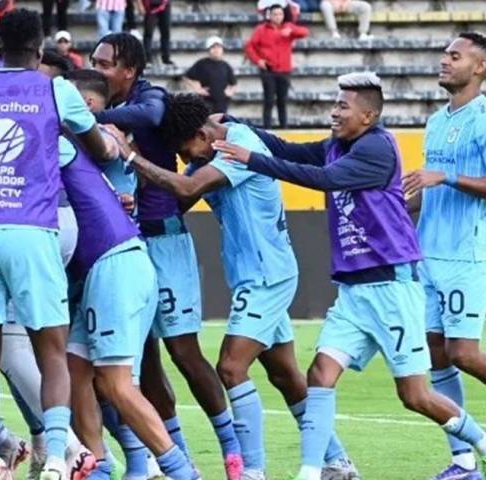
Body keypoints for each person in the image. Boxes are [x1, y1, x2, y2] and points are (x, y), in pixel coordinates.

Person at [215, 71, 486, 480]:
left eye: (343, 106)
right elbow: (291, 150)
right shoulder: (338, 145)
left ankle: (480, 444)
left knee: (414, 395)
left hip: (392, 286)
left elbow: (323, 180)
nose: (333, 112)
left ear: (369, 115)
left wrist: (250, 159)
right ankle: (313, 471)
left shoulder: (377, 148)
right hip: (354, 292)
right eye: (334, 103)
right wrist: (241, 127)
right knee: (320, 374)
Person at [120, 92, 360, 480]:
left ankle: (252, 472)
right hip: (258, 273)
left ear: (201, 134)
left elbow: (186, 188)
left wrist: (130, 157)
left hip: (266, 275)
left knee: (231, 367)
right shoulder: (213, 139)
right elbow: (182, 196)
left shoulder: (236, 149)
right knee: (283, 373)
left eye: (187, 151)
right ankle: (338, 461)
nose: (186, 160)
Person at [0, 8, 113, 479]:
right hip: (32, 227)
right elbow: (97, 147)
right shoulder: (56, 88)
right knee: (50, 349)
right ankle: (57, 456)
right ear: (39, 48)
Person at [90, 33, 243, 480]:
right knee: (143, 359)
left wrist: (96, 117)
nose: (97, 69)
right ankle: (175, 455)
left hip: (165, 239)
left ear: (129, 69)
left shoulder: (148, 97)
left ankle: (233, 455)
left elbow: (153, 113)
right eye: (94, 62)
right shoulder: (93, 107)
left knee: (185, 352)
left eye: (105, 63)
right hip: (122, 244)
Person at [62, 71, 199, 480]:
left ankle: (181, 472)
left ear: (83, 106)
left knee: (118, 384)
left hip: (115, 264)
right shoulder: (96, 140)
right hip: (109, 265)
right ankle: (101, 468)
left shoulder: (90, 137)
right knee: (76, 371)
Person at [401, 32, 486, 480]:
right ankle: (464, 461)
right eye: (444, 54)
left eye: (455, 56)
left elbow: (447, 179)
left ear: (480, 68)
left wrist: (446, 176)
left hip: (466, 255)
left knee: (464, 353)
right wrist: (399, 203)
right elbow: (428, 188)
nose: (444, 61)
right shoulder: (435, 121)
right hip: (426, 254)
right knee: (434, 351)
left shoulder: (485, 117)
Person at [244, 4, 309, 128]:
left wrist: (292, 31)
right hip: (268, 69)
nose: (278, 17)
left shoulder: (288, 27)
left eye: (280, 14)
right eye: (275, 14)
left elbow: (305, 32)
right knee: (268, 100)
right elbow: (250, 46)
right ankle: (267, 128)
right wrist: (258, 61)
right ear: (270, 15)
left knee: (282, 100)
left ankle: (284, 127)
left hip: (284, 70)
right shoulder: (261, 29)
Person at [183, 36, 237, 114]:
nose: (216, 50)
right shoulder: (202, 63)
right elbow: (187, 77)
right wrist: (197, 89)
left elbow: (234, 83)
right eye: (213, 47)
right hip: (206, 101)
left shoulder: (226, 66)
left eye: (218, 47)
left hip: (222, 103)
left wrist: (230, 91)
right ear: (208, 50)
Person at [138, 0, 173, 67]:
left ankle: (166, 58)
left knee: (166, 33)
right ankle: (147, 59)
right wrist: (140, 5)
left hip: (165, 4)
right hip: (150, 5)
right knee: (148, 33)